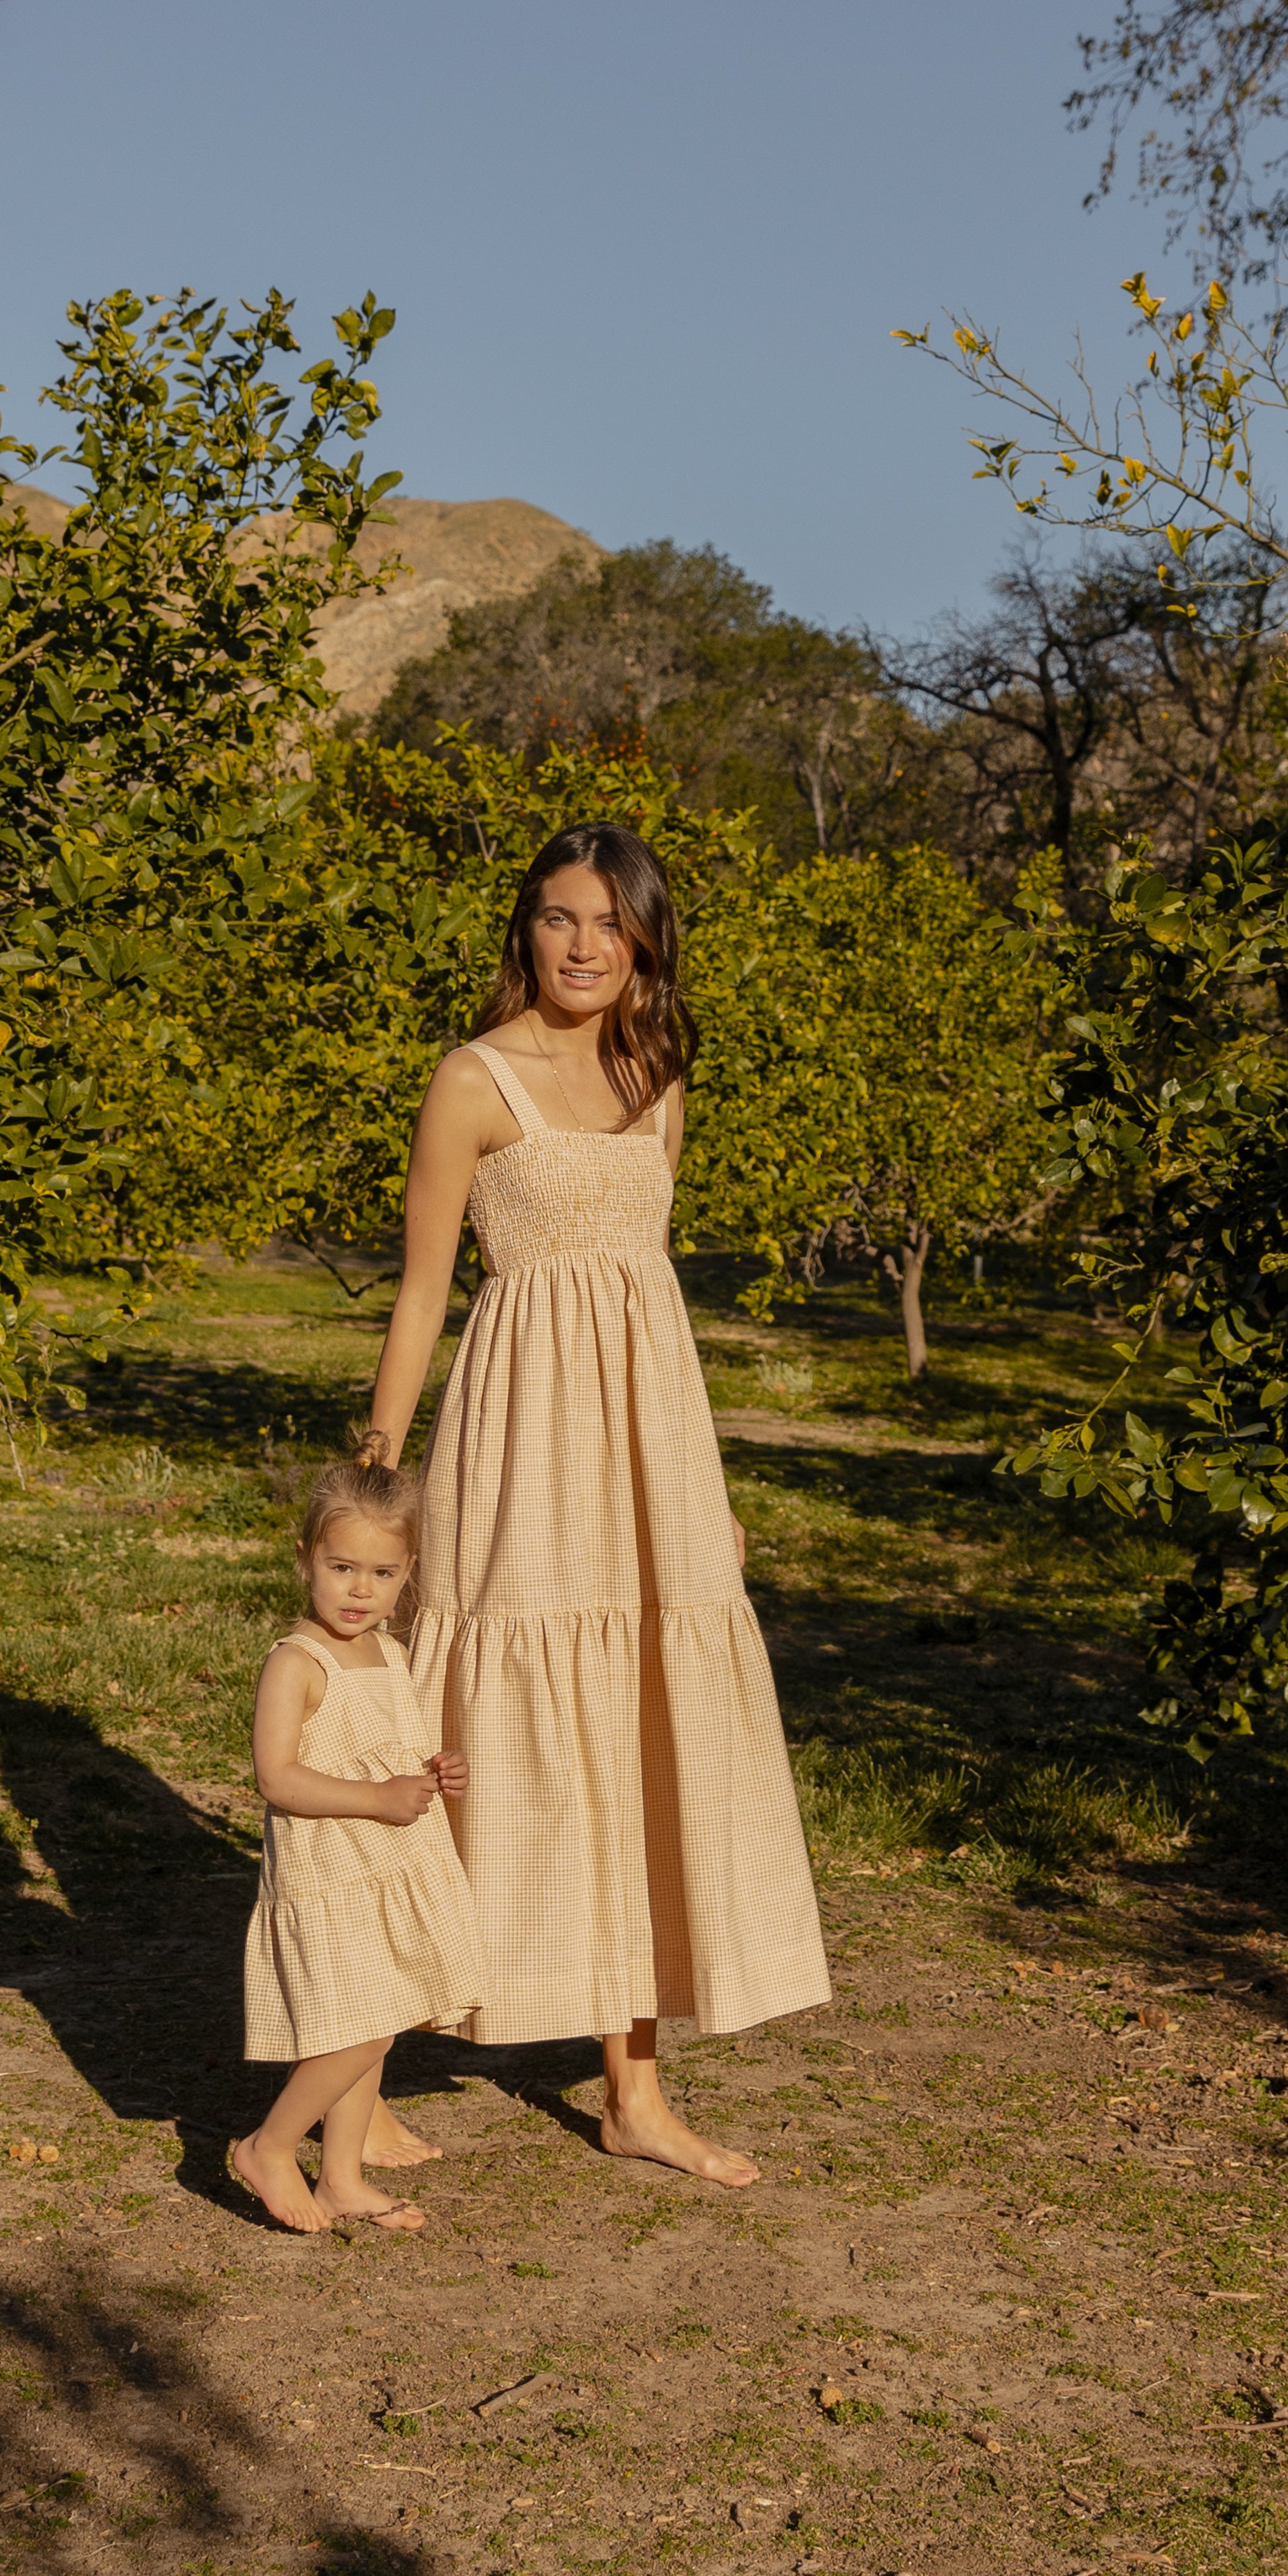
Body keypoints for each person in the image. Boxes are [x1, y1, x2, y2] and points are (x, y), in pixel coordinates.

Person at [361, 822, 830, 2188]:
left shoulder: (659, 1072)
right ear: (528, 928)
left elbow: (647, 1292)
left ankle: (635, 2087)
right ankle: (365, 2064)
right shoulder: (472, 1077)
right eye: (558, 917)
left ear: (642, 939)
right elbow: (419, 1290)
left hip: (648, 1451)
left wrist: (709, 1490)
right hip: (520, 1442)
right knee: (474, 1729)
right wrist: (379, 1476)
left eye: (605, 922)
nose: (580, 945)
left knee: (641, 1736)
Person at [233, 1459, 488, 2233]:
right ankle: (269, 2144)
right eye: (341, 1567)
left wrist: (431, 1769)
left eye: (380, 1572)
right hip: (330, 1872)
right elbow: (278, 1777)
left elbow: (385, 1748)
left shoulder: (390, 1654)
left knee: (382, 2013)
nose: (358, 1589)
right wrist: (378, 1798)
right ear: (305, 1557)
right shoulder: (295, 1662)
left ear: (407, 1573)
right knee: (362, 2023)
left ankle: (341, 2175)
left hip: (386, 1867)